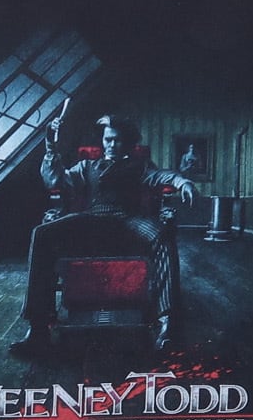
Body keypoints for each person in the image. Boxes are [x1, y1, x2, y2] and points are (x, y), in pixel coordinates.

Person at [10, 113, 196, 354]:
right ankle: (38, 327)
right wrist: (50, 146)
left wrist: (183, 183)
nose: (111, 144)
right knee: (42, 233)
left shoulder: (139, 166)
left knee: (162, 234)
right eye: (108, 139)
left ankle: (167, 323)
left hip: (128, 220)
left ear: (128, 143)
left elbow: (163, 175)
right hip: (92, 219)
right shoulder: (87, 166)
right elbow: (55, 180)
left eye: (117, 140)